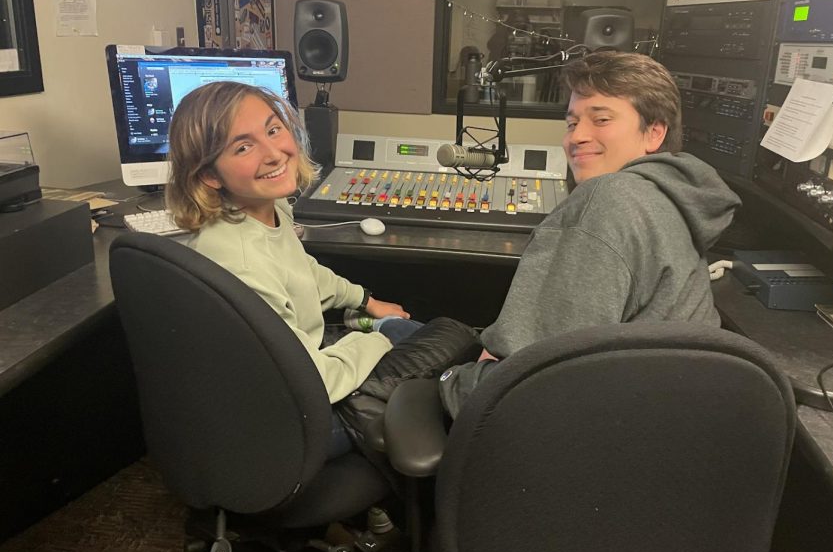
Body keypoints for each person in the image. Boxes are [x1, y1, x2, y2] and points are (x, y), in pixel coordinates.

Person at [165, 81, 476, 458]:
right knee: (457, 339)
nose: (274, 153)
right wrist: (376, 342)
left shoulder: (264, 210)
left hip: (290, 371)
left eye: (273, 129)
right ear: (210, 175)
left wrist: (367, 301)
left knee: (410, 330)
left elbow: (302, 270)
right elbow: (311, 380)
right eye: (243, 147)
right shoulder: (241, 261)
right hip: (291, 420)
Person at [438, 51, 742, 417]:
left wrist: (451, 380)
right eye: (571, 123)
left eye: (601, 119)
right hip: (648, 424)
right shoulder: (672, 195)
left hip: (571, 435)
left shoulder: (608, 197)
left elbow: (526, 384)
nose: (577, 137)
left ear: (655, 132)